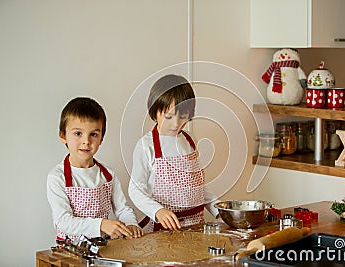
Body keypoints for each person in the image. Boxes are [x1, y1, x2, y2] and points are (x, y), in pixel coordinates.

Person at [128, 74, 219, 233]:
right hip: (163, 230)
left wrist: (219, 211)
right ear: (154, 110)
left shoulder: (190, 140)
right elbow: (136, 190)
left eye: (183, 116)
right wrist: (158, 211)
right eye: (168, 116)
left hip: (196, 227)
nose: (176, 123)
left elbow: (198, 186)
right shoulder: (146, 146)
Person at [47, 97, 143, 241]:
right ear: (63, 136)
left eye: (93, 134)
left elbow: (122, 209)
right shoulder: (57, 177)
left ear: (101, 139)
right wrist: (101, 225)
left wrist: (130, 224)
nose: (86, 141)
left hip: (104, 248)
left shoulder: (109, 175)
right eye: (78, 133)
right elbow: (63, 221)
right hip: (70, 251)